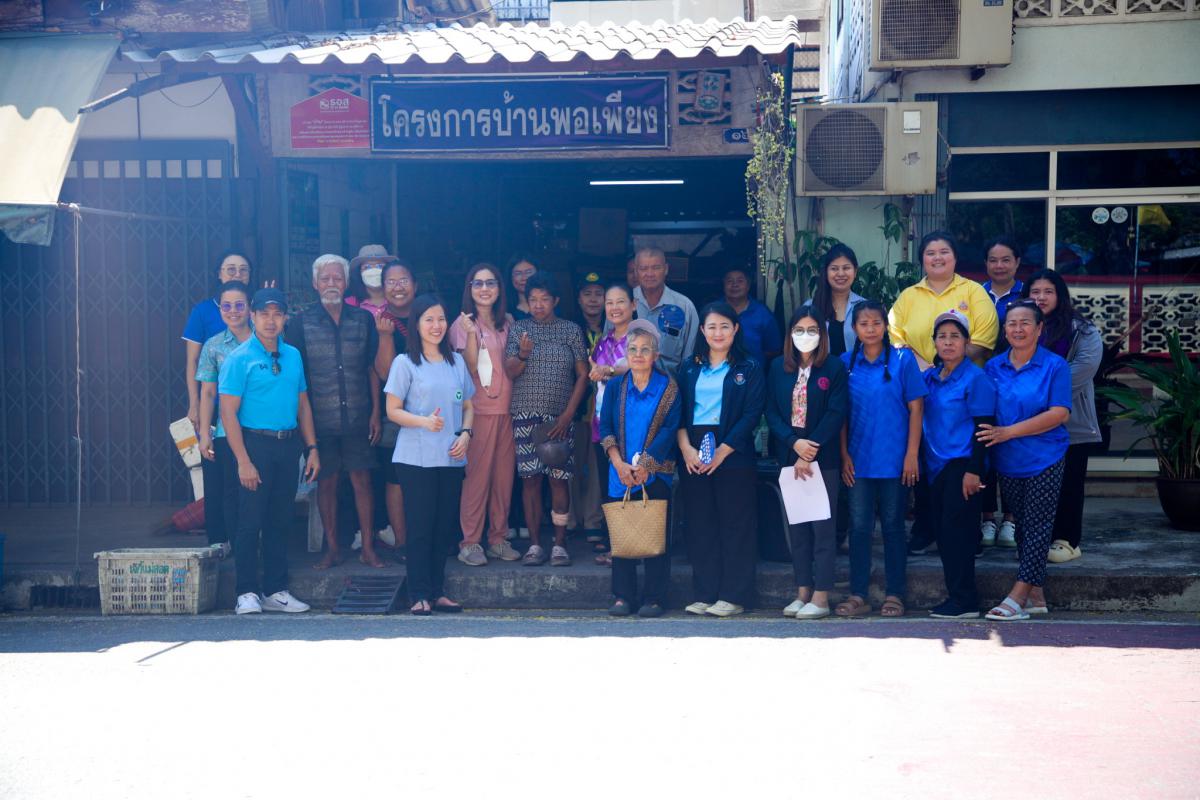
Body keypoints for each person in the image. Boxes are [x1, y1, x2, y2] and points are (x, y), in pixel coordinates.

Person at [219, 288, 319, 615]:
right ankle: (246, 591)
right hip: (254, 444)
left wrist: (312, 448)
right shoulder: (239, 358)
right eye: (264, 314)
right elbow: (228, 412)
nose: (271, 321)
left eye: (277, 314)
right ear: (253, 316)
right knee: (250, 521)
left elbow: (303, 404)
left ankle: (276, 590)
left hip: (287, 444)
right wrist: (243, 461)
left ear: (286, 318)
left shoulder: (293, 355)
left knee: (280, 519)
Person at [286, 254, 383, 570]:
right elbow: (297, 379)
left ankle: (367, 548)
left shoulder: (363, 320)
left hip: (358, 416)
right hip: (319, 421)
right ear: (315, 284)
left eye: (337, 278)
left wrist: (375, 413)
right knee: (325, 484)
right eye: (325, 279)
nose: (331, 284)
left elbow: (371, 369)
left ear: (346, 283)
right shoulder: (300, 323)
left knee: (362, 481)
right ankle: (332, 550)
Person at [979, 301, 1072, 621]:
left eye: (1025, 323)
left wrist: (1009, 432)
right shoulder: (993, 367)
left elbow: (1059, 414)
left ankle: (1018, 595)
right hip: (1007, 459)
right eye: (1012, 323)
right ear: (1004, 329)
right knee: (1021, 526)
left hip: (1045, 456)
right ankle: (1036, 595)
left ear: (1039, 328)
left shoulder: (1055, 366)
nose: (1018, 329)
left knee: (1037, 527)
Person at [384, 294, 474, 615]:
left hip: (451, 456)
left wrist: (466, 433)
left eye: (441, 319)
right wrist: (424, 421)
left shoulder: (456, 363)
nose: (436, 326)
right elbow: (392, 410)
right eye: (429, 320)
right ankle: (418, 593)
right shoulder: (405, 363)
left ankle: (437, 591)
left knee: (443, 528)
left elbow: (468, 405)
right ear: (417, 324)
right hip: (416, 458)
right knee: (420, 527)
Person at [837, 301, 927, 618]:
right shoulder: (845, 363)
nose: (871, 329)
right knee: (859, 528)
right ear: (854, 328)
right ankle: (858, 594)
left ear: (885, 326)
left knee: (893, 528)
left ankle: (895, 594)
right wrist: (844, 454)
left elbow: (917, 408)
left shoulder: (903, 360)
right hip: (858, 462)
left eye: (876, 323)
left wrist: (912, 454)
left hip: (895, 461)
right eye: (864, 324)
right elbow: (840, 414)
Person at [677, 302, 766, 617]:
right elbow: (678, 412)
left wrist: (723, 451)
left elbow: (752, 413)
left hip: (733, 451)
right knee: (701, 523)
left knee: (735, 524)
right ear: (702, 330)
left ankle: (734, 595)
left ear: (736, 329)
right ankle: (705, 593)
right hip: (693, 451)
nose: (718, 333)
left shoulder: (749, 367)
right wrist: (686, 448)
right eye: (712, 327)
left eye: (725, 326)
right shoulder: (689, 367)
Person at [764, 303, 848, 620]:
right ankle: (802, 591)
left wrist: (809, 449)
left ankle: (821, 596)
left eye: (812, 330)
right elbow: (771, 411)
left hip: (822, 458)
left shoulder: (834, 368)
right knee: (798, 530)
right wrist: (793, 443)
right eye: (799, 330)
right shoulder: (778, 367)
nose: (805, 335)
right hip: (789, 455)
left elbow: (836, 413)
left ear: (822, 335)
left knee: (823, 530)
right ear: (790, 334)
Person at [504, 273, 590, 567]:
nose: (538, 305)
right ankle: (535, 544)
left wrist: (568, 414)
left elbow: (583, 375)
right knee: (530, 480)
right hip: (525, 414)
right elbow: (510, 371)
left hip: (559, 417)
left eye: (544, 299)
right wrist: (523, 354)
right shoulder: (519, 329)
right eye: (533, 300)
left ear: (556, 301)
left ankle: (560, 544)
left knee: (558, 479)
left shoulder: (570, 330)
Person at [598, 320, 682, 617]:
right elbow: (605, 426)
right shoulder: (616, 386)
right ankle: (623, 596)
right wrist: (618, 462)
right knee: (622, 534)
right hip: (620, 472)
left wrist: (646, 464)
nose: (638, 354)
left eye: (645, 350)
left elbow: (670, 429)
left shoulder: (668, 387)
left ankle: (654, 598)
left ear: (656, 355)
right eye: (632, 349)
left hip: (656, 472)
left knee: (655, 535)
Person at [1023, 269, 1102, 564]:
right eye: (1035, 292)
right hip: (1030, 420)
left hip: (1071, 419)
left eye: (1048, 291)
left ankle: (1068, 541)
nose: (1041, 297)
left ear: (1060, 295)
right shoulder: (1022, 327)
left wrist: (1038, 391)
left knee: (1069, 482)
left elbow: (1084, 369)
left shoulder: (1082, 330)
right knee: (1038, 483)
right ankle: (1038, 537)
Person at [921, 310, 997, 619]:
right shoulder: (930, 377)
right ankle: (956, 596)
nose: (948, 342)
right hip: (935, 467)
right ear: (934, 342)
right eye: (942, 336)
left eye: (955, 336)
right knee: (944, 534)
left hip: (963, 465)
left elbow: (984, 428)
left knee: (959, 535)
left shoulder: (976, 378)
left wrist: (974, 471)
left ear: (967, 342)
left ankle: (965, 600)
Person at [448, 263, 521, 566]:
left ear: (499, 288)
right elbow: (469, 367)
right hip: (478, 411)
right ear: (469, 289)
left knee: (503, 480)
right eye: (477, 284)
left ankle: (498, 539)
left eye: (491, 283)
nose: (484, 289)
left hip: (508, 410)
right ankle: (470, 542)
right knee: (477, 479)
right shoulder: (462, 324)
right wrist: (470, 335)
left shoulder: (509, 322)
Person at [196, 281, 254, 551]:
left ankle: (257, 545)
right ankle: (239, 548)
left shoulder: (266, 339)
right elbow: (208, 392)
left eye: (239, 305)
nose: (233, 311)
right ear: (220, 309)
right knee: (231, 493)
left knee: (258, 492)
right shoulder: (213, 346)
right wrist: (204, 433)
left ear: (250, 308)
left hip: (261, 428)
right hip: (225, 430)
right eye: (227, 306)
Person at [889, 231, 999, 369]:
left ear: (955, 257)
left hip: (963, 377)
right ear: (922, 260)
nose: (937, 257)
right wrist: (923, 369)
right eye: (930, 253)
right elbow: (894, 336)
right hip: (915, 377)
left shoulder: (974, 291)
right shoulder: (907, 296)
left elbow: (984, 338)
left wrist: (946, 369)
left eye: (944, 252)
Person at [979, 237, 1025, 549]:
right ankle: (986, 517)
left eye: (1006, 259)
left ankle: (1010, 518)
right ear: (986, 263)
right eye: (993, 260)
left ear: (1017, 262)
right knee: (984, 448)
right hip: (981, 383)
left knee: (1010, 448)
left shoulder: (1026, 295)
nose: (999, 266)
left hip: (1016, 384)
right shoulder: (975, 295)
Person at [372, 260, 419, 555]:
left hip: (429, 412)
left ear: (415, 285)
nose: (398, 287)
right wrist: (385, 335)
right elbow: (384, 373)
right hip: (395, 413)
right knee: (395, 477)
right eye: (391, 282)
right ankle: (402, 541)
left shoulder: (429, 316)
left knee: (427, 476)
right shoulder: (380, 321)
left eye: (403, 281)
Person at [588, 282, 635, 562]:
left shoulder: (639, 338)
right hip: (601, 422)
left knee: (629, 482)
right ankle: (613, 544)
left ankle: (632, 545)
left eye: (620, 302)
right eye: (609, 303)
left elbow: (635, 365)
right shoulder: (603, 341)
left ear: (633, 305)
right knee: (609, 485)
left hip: (630, 423)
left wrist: (608, 370)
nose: (614, 308)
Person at [184, 250, 253, 433]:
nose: (237, 274)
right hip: (215, 402)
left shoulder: (258, 309)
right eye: (231, 269)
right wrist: (195, 404)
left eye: (243, 270)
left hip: (256, 402)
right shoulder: (203, 311)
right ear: (219, 274)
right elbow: (193, 361)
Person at [568, 272, 608, 543]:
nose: (593, 300)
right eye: (587, 294)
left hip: (602, 411)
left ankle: (593, 519)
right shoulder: (570, 329)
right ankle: (571, 518)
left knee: (596, 466)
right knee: (571, 463)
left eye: (598, 294)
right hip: (576, 407)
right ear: (579, 299)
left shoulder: (612, 330)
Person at [633, 247, 699, 375]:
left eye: (656, 268)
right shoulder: (623, 302)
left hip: (671, 384)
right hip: (629, 385)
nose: (649, 274)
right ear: (636, 271)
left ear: (666, 269)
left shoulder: (684, 306)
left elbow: (690, 358)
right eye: (643, 268)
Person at [811, 244, 868, 358]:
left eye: (846, 268)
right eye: (834, 269)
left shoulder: (866, 307)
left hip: (857, 369)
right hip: (821, 369)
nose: (841, 274)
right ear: (826, 272)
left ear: (855, 271)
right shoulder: (810, 307)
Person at [722, 266, 782, 364]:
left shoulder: (763, 313)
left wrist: (754, 360)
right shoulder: (714, 311)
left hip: (753, 371)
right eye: (730, 281)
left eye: (740, 281)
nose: (735, 285)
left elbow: (774, 350)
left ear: (748, 285)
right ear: (724, 285)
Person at [346, 243, 398, 318]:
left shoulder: (399, 300)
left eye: (379, 266)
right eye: (367, 267)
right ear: (359, 272)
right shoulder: (349, 303)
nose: (374, 271)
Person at [507, 253, 537, 321]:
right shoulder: (504, 310)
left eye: (528, 272)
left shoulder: (549, 306)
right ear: (510, 277)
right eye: (518, 273)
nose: (524, 278)